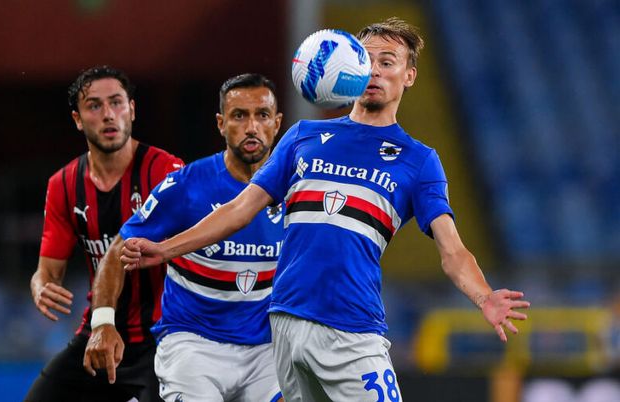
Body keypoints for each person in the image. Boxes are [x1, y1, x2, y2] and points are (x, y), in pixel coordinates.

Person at [120, 18, 531, 402]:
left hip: (352, 331)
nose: (373, 71)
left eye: (387, 62)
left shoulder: (418, 160)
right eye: (365, 60)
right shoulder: (304, 137)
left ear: (409, 76)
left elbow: (452, 250)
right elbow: (240, 208)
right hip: (282, 325)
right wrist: (167, 249)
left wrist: (483, 297)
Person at [83, 73, 285, 402]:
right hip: (194, 345)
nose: (251, 127)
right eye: (239, 115)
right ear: (221, 124)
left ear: (277, 123)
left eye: (261, 115)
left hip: (267, 350)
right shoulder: (186, 187)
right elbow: (118, 251)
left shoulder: (295, 189)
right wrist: (103, 322)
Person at [26, 65, 183, 402]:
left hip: (164, 336)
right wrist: (41, 287)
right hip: (98, 334)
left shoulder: (165, 170)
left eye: (116, 103)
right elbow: (48, 270)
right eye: (95, 106)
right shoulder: (64, 185)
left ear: (132, 110)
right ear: (78, 119)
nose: (109, 114)